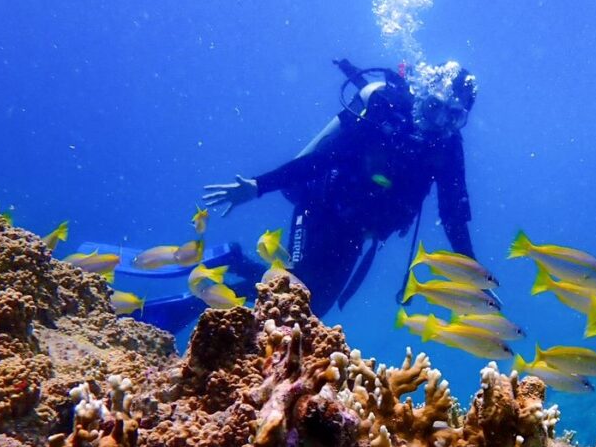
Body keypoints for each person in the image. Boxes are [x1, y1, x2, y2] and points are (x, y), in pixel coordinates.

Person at [203, 59, 479, 316]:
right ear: (422, 97)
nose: (440, 121)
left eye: (453, 116)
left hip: (358, 231)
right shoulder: (387, 115)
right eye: (434, 107)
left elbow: (454, 216)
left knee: (314, 307)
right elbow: (322, 160)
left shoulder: (449, 147)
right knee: (294, 296)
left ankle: (234, 263)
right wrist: (259, 185)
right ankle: (208, 300)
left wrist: (474, 278)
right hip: (321, 209)